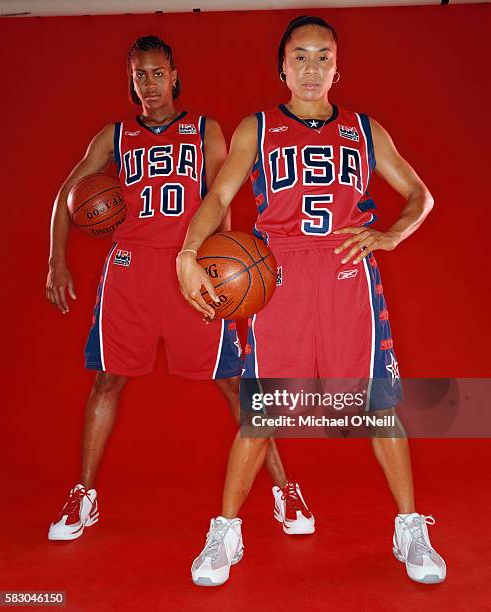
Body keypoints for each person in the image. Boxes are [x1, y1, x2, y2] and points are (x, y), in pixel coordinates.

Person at [177, 16, 446, 586]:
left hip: (350, 276)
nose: (311, 68)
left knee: (377, 405)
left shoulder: (366, 130)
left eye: (323, 57)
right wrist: (189, 251)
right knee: (263, 411)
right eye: (300, 56)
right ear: (282, 66)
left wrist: (392, 233)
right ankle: (226, 530)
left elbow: (421, 194)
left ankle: (409, 526)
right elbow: (220, 191)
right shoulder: (258, 127)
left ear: (337, 69)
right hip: (278, 279)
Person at [45, 35, 313, 542]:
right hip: (129, 273)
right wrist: (56, 260)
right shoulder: (115, 135)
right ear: (132, 82)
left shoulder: (204, 129)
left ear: (174, 75)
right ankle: (84, 494)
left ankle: (285, 488)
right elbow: (67, 193)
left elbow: (223, 198)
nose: (148, 83)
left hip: (191, 270)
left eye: (156, 72)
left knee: (236, 386)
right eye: (138, 75)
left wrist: (224, 274)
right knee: (106, 381)